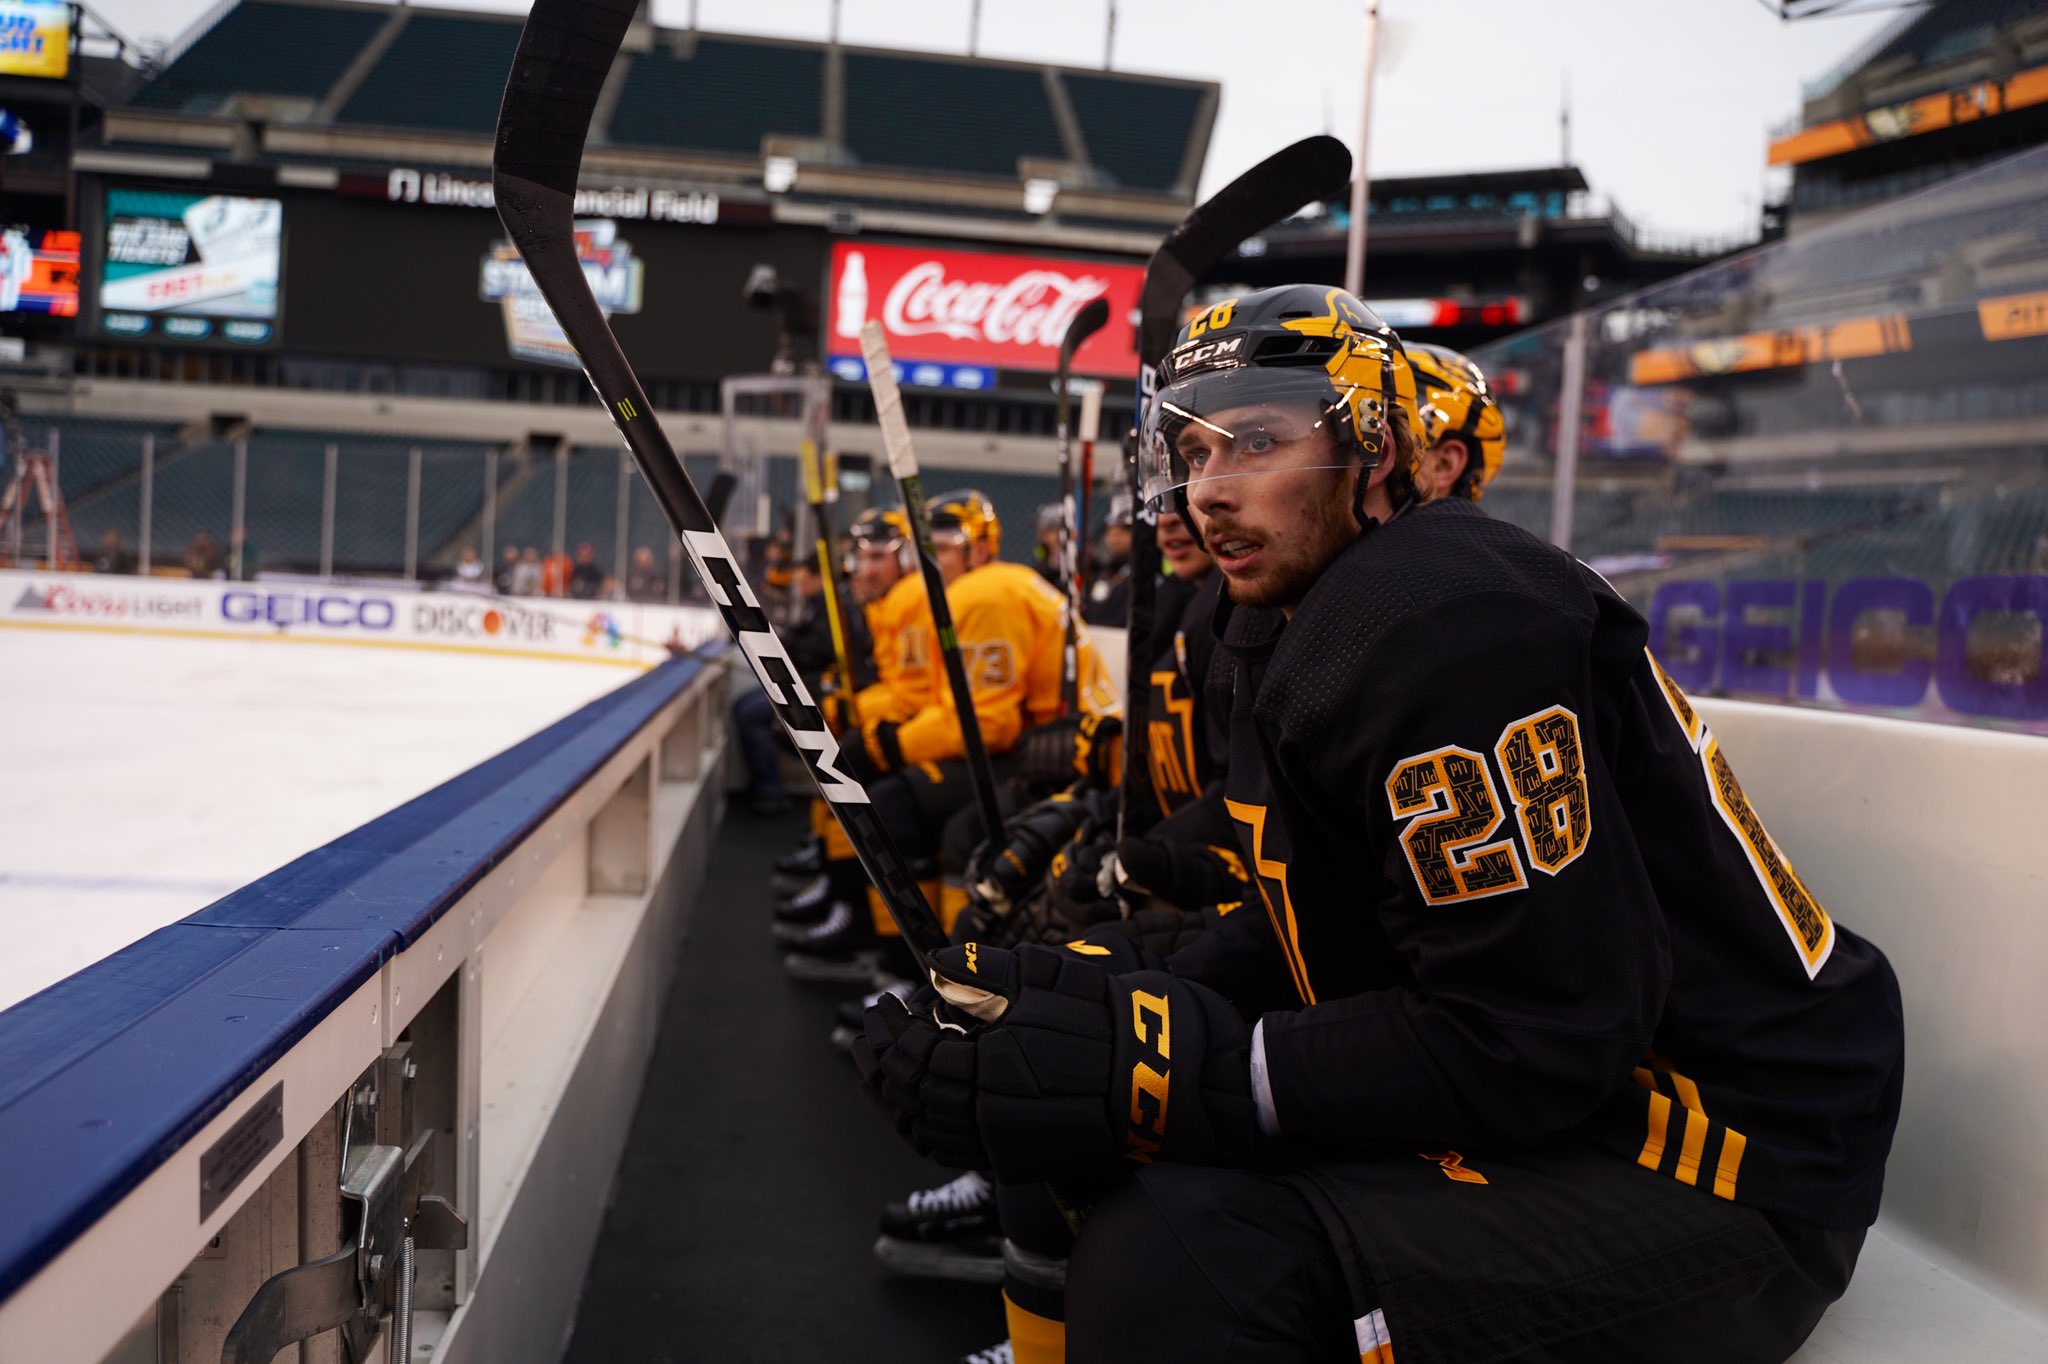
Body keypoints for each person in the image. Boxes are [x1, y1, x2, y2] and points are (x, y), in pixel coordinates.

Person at [857, 285, 1903, 1364]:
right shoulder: (1289, 616)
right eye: (1192, 453)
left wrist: (1179, 1060)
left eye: (1252, 442)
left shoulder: (1437, 613)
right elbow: (1330, 914)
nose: (1206, 492)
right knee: (1061, 1112)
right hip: (1586, 1090)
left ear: (1371, 442)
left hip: (1717, 1154)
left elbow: (1532, 1032)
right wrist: (1106, 994)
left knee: (1185, 1267)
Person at [1080, 492, 1132, 627]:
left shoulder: (1138, 574)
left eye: (1120, 533)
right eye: (1110, 533)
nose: (1114, 539)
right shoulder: (1102, 572)